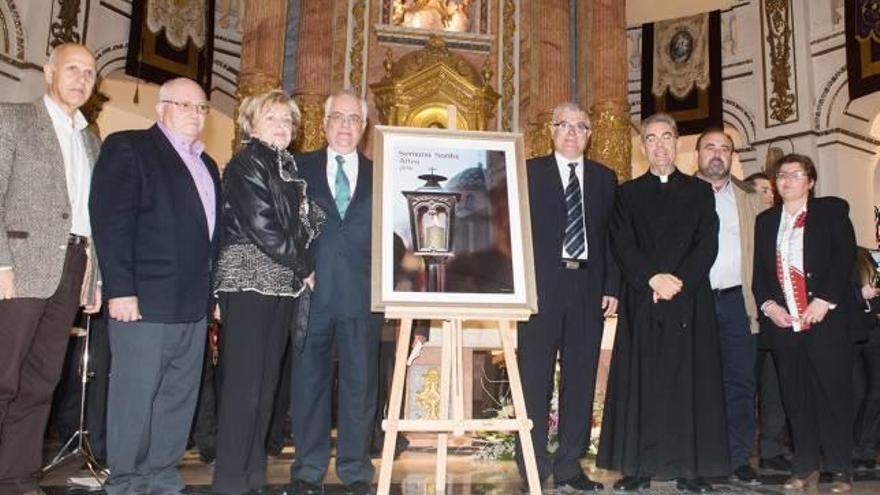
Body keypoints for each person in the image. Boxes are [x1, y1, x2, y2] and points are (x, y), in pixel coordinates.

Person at [90, 77, 221, 495]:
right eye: (185, 105)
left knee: (178, 398)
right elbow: (111, 223)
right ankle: (126, 481)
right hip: (144, 299)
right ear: (161, 107)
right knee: (135, 396)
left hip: (193, 302)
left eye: (202, 108)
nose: (196, 115)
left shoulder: (209, 164)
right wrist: (120, 290)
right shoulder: (129, 146)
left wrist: (213, 295)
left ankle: (161, 475)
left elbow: (209, 237)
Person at [598, 113, 729, 493]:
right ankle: (637, 467)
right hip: (644, 302)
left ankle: (691, 470)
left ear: (677, 143)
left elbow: (707, 244)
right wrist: (651, 279)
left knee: (691, 384)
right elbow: (622, 243)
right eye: (651, 139)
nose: (659, 145)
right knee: (642, 384)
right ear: (644, 148)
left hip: (689, 303)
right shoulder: (626, 194)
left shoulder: (700, 192)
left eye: (667, 137)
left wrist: (678, 282)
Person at [210, 89, 324, 494]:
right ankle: (229, 481)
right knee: (244, 385)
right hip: (249, 278)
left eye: (287, 120)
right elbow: (263, 226)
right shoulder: (246, 163)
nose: (281, 126)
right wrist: (306, 264)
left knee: (266, 383)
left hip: (281, 282)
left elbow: (300, 222)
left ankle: (252, 475)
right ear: (251, 123)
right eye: (272, 118)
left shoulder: (285, 166)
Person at [0, 42, 101, 495]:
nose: (82, 79)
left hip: (73, 262)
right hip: (19, 265)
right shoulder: (13, 118)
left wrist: (92, 275)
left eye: (90, 73)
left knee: (42, 379)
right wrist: (1, 262)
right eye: (73, 69)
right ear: (48, 72)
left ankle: (17, 475)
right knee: (4, 374)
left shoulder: (90, 136)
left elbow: (89, 213)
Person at [516, 102, 619, 491]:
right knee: (534, 379)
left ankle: (570, 466)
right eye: (564, 125)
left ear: (590, 135)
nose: (572, 133)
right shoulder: (528, 173)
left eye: (581, 127)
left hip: (588, 290)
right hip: (540, 291)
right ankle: (532, 463)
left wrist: (612, 286)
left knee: (579, 380)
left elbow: (612, 237)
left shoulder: (605, 178)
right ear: (551, 131)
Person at [289, 89, 379, 495]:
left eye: (353, 119)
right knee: (309, 384)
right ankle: (308, 467)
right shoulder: (297, 168)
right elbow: (281, 226)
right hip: (311, 294)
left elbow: (397, 243)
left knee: (360, 386)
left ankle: (355, 467)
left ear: (364, 127)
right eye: (337, 117)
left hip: (363, 298)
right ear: (323, 124)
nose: (345, 125)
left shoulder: (382, 174)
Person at [752, 153, 859, 493]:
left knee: (833, 396)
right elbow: (760, 274)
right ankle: (804, 467)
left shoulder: (831, 211)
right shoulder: (766, 221)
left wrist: (823, 300)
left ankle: (841, 468)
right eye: (781, 175)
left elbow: (844, 258)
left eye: (795, 175)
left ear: (810, 181)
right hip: (786, 326)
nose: (786, 181)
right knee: (796, 399)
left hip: (825, 321)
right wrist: (769, 306)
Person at [694, 127, 765, 484]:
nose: (718, 154)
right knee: (698, 382)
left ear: (732, 156)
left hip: (738, 301)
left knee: (740, 381)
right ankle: (701, 458)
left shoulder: (749, 197)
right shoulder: (680, 191)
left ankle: (738, 457)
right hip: (695, 304)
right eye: (710, 147)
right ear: (698, 154)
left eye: (725, 148)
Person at [745, 171, 793, 471]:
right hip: (745, 316)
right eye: (760, 189)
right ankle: (740, 446)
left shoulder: (783, 226)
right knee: (744, 385)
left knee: (775, 385)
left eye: (769, 189)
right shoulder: (739, 225)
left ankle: (772, 448)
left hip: (775, 318)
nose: (767, 195)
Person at [851, 247, 880, 470]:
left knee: (876, 392)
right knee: (856, 391)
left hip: (876, 332)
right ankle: (848, 447)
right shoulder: (858, 254)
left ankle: (866, 448)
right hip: (855, 331)